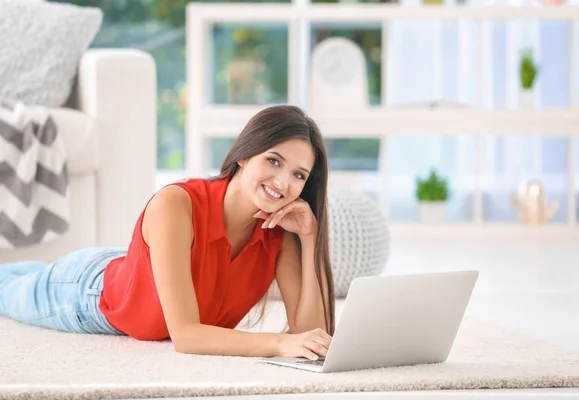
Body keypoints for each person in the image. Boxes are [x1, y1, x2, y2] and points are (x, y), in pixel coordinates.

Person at [0, 105, 335, 361]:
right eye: (274, 161)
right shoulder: (175, 204)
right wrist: (278, 342)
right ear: (245, 154)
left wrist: (309, 237)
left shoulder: (280, 231)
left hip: (133, 268)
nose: (282, 183)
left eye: (299, 175)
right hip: (86, 289)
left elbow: (311, 336)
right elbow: (186, 337)